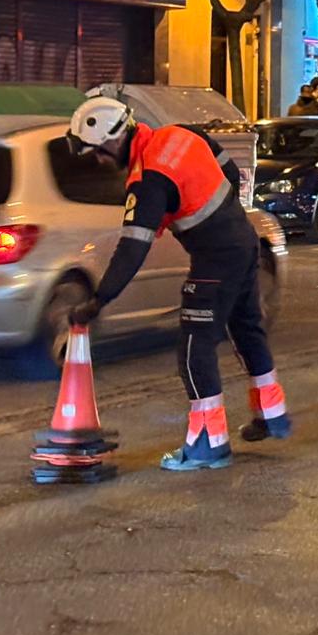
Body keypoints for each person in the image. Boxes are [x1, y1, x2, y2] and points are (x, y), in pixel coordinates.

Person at [66, 98, 291, 471]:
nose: (99, 161)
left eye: (97, 153)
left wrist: (98, 300)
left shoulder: (148, 180)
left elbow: (131, 250)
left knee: (193, 347)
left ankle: (207, 444)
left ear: (113, 139)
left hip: (215, 259)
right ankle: (272, 415)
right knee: (247, 329)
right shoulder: (181, 134)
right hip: (244, 243)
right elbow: (231, 175)